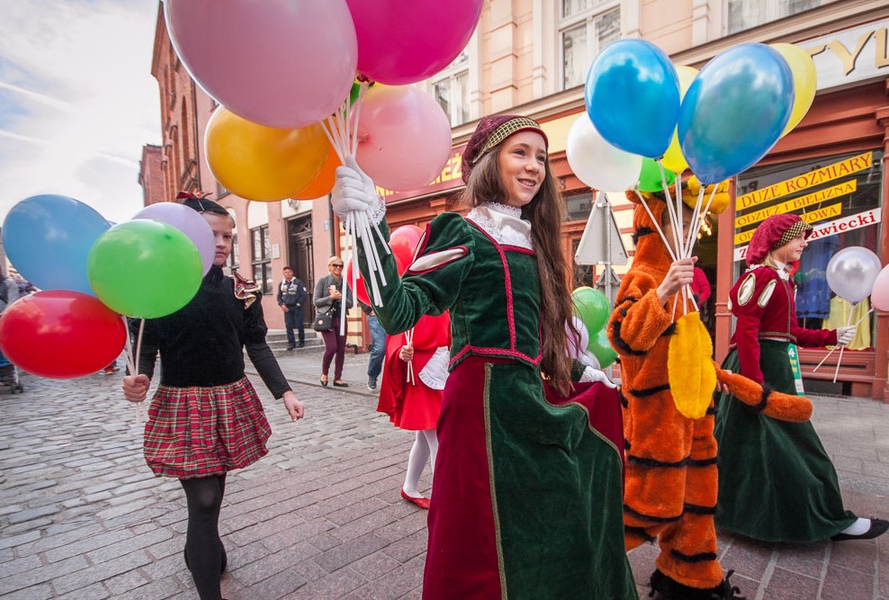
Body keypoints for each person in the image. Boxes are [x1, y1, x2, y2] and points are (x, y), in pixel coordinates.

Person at [332, 115, 637, 599]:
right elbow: (399, 310)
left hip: (530, 399)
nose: (534, 166)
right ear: (487, 162)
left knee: (572, 497)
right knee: (484, 536)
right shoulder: (463, 232)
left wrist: (584, 370)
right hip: (484, 410)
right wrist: (367, 226)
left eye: (541, 157)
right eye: (520, 152)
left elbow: (536, 340)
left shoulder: (534, 239)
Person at [121, 194, 304, 600]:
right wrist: (140, 378)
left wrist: (285, 392)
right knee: (203, 499)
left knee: (213, 494)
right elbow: (145, 349)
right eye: (210, 234)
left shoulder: (241, 290)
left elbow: (256, 345)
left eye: (227, 235)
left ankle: (202, 549)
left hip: (230, 400)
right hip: (183, 405)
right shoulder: (162, 290)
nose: (221, 243)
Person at [715, 213, 888, 543]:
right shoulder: (764, 277)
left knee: (757, 446)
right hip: (762, 368)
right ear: (777, 243)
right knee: (792, 445)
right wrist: (755, 387)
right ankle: (822, 517)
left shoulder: (781, 279)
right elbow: (748, 332)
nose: (805, 243)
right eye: (797, 238)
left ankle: (766, 515)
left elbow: (788, 332)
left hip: (775, 366)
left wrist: (831, 335)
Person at [609, 177, 742, 599]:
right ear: (656, 223)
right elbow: (625, 337)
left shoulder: (683, 275)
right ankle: (578, 558)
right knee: (648, 508)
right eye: (679, 223)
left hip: (696, 415)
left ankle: (690, 579)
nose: (688, 233)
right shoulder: (645, 274)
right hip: (659, 420)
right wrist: (663, 291)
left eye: (693, 224)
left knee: (696, 507)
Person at [377, 312, 450, 509]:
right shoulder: (411, 289)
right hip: (421, 372)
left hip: (439, 366)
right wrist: (400, 350)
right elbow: (395, 327)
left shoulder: (443, 293)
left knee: (425, 437)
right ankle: (443, 500)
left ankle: (410, 487)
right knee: (436, 436)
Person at [313, 256, 353, 387]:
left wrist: (340, 297)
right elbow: (316, 301)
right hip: (327, 319)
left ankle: (337, 377)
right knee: (331, 348)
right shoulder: (323, 281)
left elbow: (350, 303)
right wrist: (330, 297)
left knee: (341, 349)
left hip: (341, 319)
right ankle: (324, 373)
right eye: (335, 265)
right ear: (329, 267)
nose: (338, 268)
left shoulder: (344, 283)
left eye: (340, 266)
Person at [276, 266, 308, 350]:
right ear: (283, 274)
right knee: (289, 325)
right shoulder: (282, 283)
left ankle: (301, 341)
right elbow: (279, 296)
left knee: (299, 325)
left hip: (296, 306)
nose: (288, 274)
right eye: (285, 272)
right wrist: (281, 304)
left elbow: (304, 294)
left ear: (292, 273)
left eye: (289, 272)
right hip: (287, 307)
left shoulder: (298, 282)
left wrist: (298, 303)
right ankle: (291, 343)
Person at [360, 303, 386, 391]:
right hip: (377, 315)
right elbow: (359, 290)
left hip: (395, 313)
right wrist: (368, 309)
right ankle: (372, 375)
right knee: (380, 348)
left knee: (398, 348)